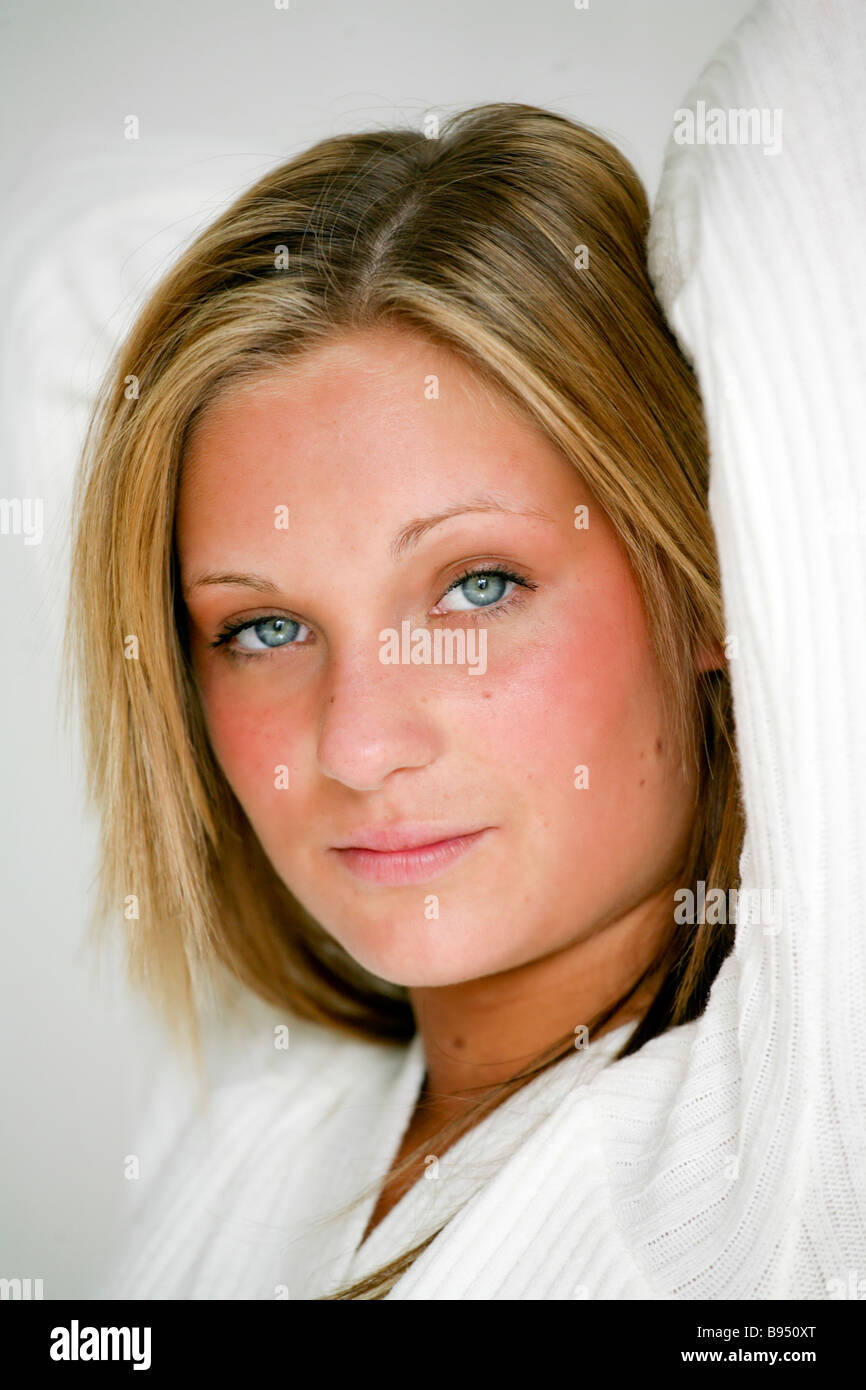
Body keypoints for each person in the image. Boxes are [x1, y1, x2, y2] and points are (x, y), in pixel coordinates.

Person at [72, 0, 866, 1300]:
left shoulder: (783, 1151)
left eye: (475, 585)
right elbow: (72, 249)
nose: (356, 741)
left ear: (715, 580)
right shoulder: (256, 1129)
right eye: (263, 626)